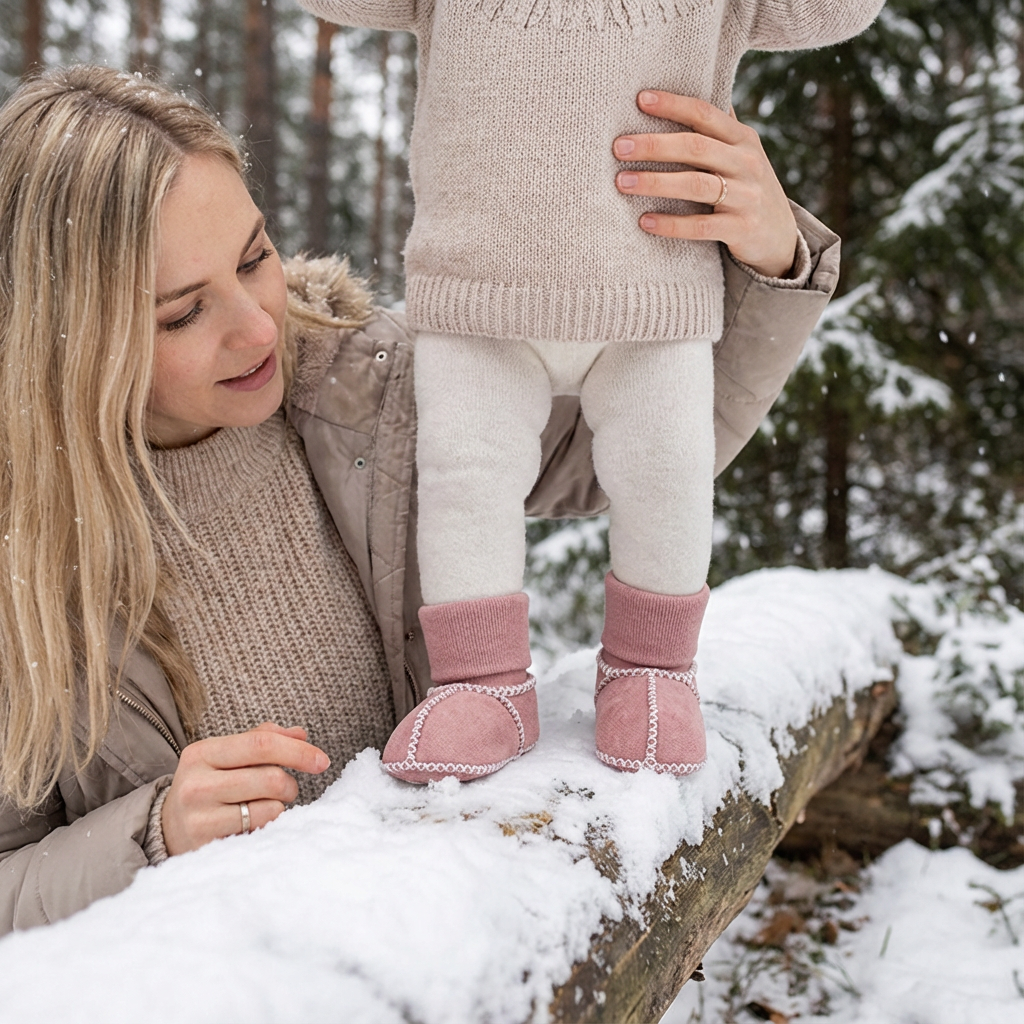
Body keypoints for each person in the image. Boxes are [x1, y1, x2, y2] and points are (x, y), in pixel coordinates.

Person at [0, 64, 840, 934]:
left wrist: (771, 259)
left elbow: (637, 448)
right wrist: (150, 837)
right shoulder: (18, 564)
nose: (257, 325)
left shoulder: (363, 388)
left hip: (441, 944)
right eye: (181, 313)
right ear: (67, 338)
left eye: (255, 257)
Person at [300, 0, 884, 782]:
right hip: (477, 301)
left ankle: (652, 669)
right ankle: (482, 685)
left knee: (665, 474)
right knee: (464, 478)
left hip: (657, 299)